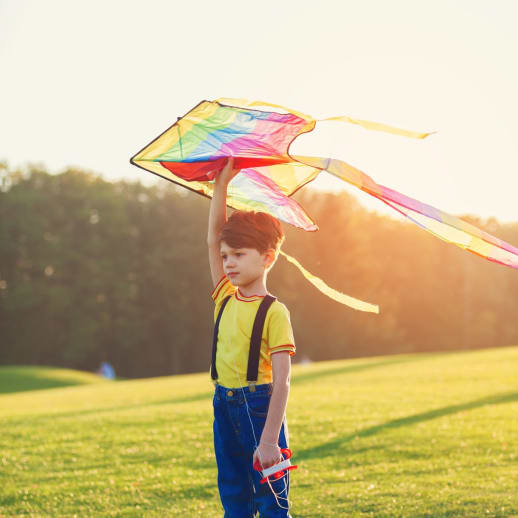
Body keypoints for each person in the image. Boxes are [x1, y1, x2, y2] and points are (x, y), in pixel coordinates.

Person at [208, 157, 296, 517]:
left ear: (267, 257)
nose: (228, 262)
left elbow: (283, 380)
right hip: (223, 406)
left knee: (272, 503)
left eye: (238, 255)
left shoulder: (275, 311)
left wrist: (270, 438)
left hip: (260, 409)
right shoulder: (224, 296)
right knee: (234, 495)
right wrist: (220, 188)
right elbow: (212, 238)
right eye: (226, 256)